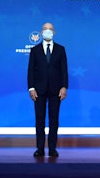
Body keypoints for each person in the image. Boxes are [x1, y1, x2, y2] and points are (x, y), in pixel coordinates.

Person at [27, 22, 69, 157]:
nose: (48, 31)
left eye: (50, 29)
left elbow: (64, 70)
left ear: (54, 33)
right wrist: (31, 88)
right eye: (45, 29)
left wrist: (64, 87)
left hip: (56, 90)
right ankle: (39, 148)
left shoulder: (60, 49)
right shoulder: (35, 50)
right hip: (39, 90)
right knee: (39, 119)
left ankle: (52, 148)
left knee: (54, 120)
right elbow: (30, 71)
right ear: (41, 32)